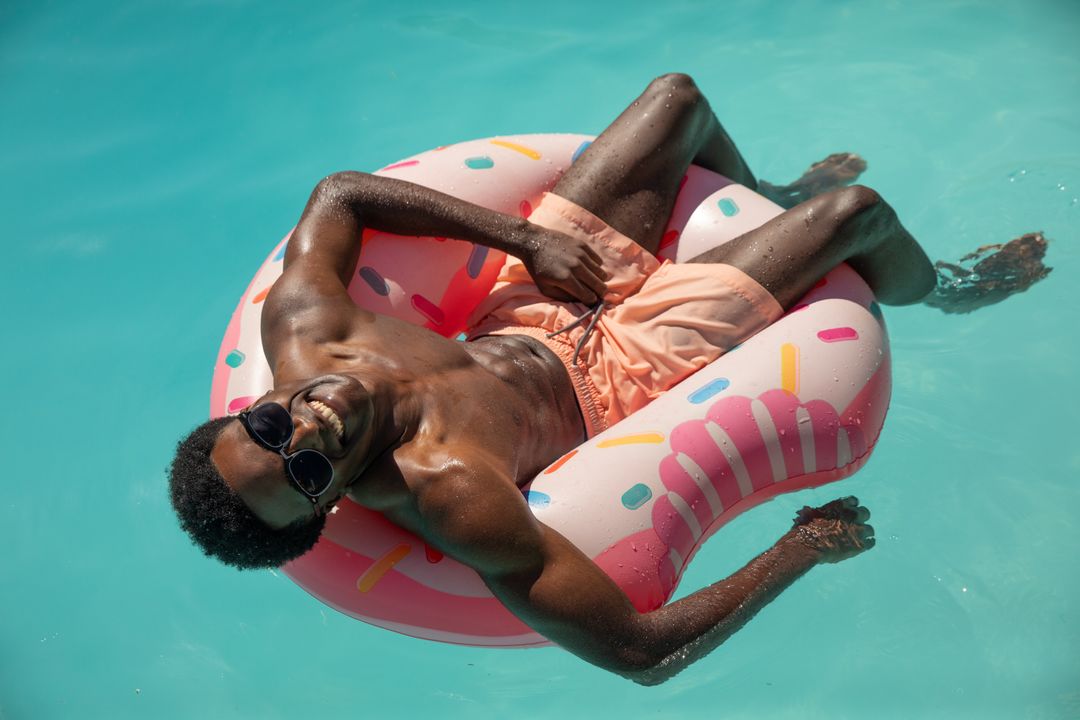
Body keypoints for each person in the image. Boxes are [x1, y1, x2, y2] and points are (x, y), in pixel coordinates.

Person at [169, 74, 1049, 685]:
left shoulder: (304, 331)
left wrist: (523, 242)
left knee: (678, 101)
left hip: (528, 300)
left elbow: (340, 195)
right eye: (308, 473)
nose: (309, 434)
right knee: (855, 215)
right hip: (627, 363)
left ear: (246, 411)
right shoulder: (451, 495)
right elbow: (636, 653)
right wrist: (798, 552)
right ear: (329, 503)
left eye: (271, 433)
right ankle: (959, 294)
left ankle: (764, 195)